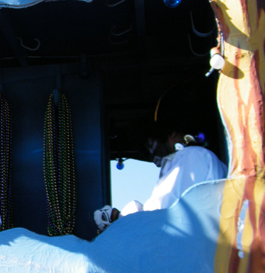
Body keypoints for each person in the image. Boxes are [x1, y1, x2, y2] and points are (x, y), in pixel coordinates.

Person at [95, 84, 227, 231]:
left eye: (151, 146)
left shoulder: (190, 157)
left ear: (171, 132)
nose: (153, 158)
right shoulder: (196, 157)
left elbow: (162, 218)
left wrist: (118, 217)